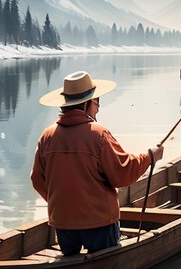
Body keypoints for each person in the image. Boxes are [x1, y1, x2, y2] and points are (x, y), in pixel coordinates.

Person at [30, 71, 164, 255]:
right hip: (99, 224)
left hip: (63, 225)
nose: (98, 108)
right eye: (97, 102)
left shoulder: (47, 136)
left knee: (70, 260)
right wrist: (150, 157)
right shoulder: (98, 135)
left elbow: (37, 179)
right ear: (85, 104)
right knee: (106, 258)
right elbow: (122, 173)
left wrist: (60, 201)